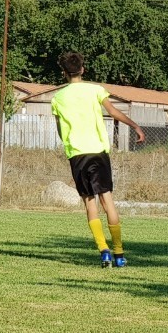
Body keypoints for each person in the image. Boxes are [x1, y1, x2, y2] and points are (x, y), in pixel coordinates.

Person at [51, 51, 145, 268]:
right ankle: (119, 253)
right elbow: (113, 112)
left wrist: (70, 145)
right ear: (82, 70)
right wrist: (135, 126)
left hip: (77, 155)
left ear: (64, 73)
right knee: (107, 200)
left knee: (89, 202)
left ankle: (104, 251)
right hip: (98, 152)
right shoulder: (95, 90)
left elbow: (60, 130)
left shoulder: (57, 99)